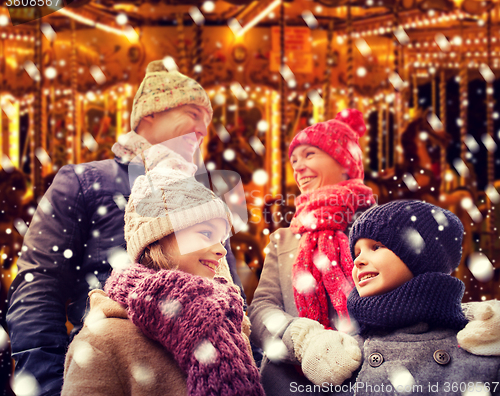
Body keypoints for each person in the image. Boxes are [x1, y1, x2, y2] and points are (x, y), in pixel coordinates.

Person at [7, 60, 244, 396]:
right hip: (112, 370)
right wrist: (49, 384)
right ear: (151, 114)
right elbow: (39, 284)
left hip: (200, 375)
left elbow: (230, 290)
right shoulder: (84, 182)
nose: (203, 129)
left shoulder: (202, 196)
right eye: (193, 113)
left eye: (207, 120)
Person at [61, 165, 263, 396]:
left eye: (221, 238)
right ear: (157, 239)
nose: (221, 250)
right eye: (206, 234)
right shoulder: (103, 342)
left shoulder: (229, 324)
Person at [248, 109, 375, 394]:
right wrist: (304, 341)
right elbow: (261, 309)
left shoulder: (379, 226)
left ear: (344, 162)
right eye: (294, 160)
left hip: (367, 375)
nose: (299, 167)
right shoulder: (285, 237)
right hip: (290, 381)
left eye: (309, 155)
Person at [339, 200, 500, 395]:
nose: (358, 261)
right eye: (356, 253)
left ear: (422, 256)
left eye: (376, 247)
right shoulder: (343, 354)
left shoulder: (481, 346)